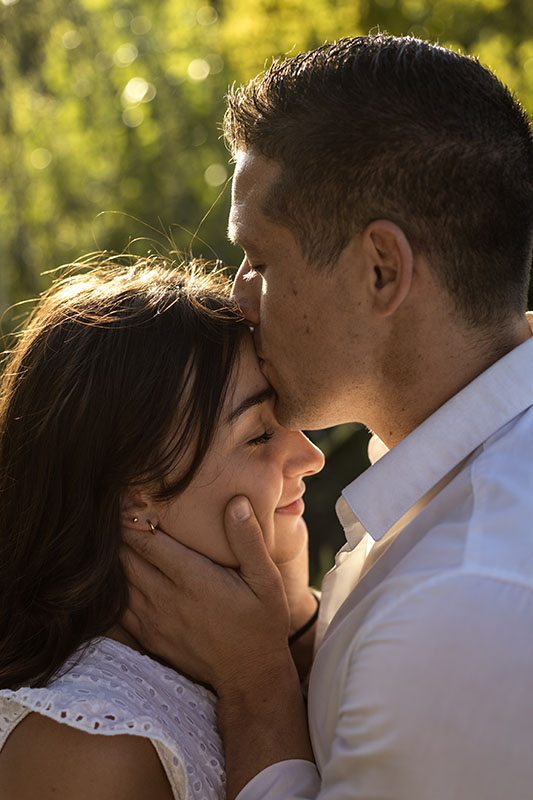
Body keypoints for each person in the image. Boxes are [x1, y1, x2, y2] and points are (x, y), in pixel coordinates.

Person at [121, 34, 533, 800]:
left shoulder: (463, 600)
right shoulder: (457, 482)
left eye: (261, 261)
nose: (238, 294)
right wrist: (295, 636)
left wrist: (255, 690)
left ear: (381, 270)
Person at [0, 256, 325, 800]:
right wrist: (258, 685)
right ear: (135, 497)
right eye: (259, 436)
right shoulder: (91, 748)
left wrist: (290, 622)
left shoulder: (217, 658)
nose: (310, 456)